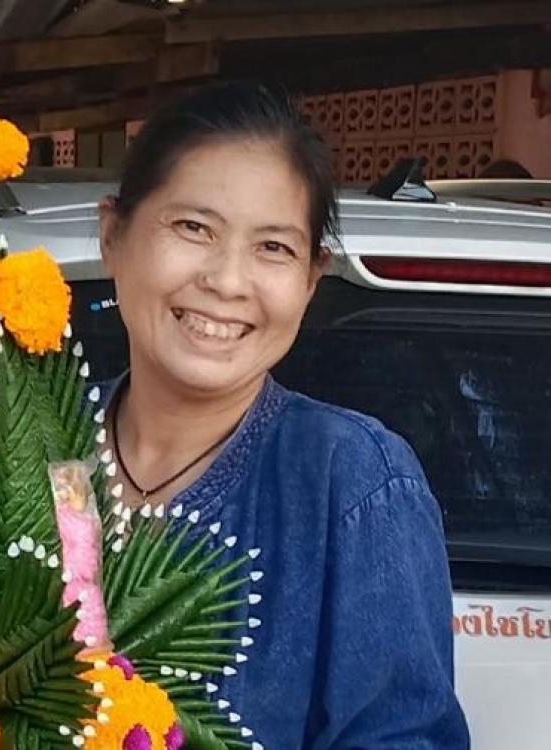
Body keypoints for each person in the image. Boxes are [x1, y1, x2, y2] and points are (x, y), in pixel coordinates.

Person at [96, 81, 470, 749]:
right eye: (194, 228)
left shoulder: (352, 484)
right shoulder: (20, 443)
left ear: (311, 279)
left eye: (273, 248)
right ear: (112, 235)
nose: (227, 280)